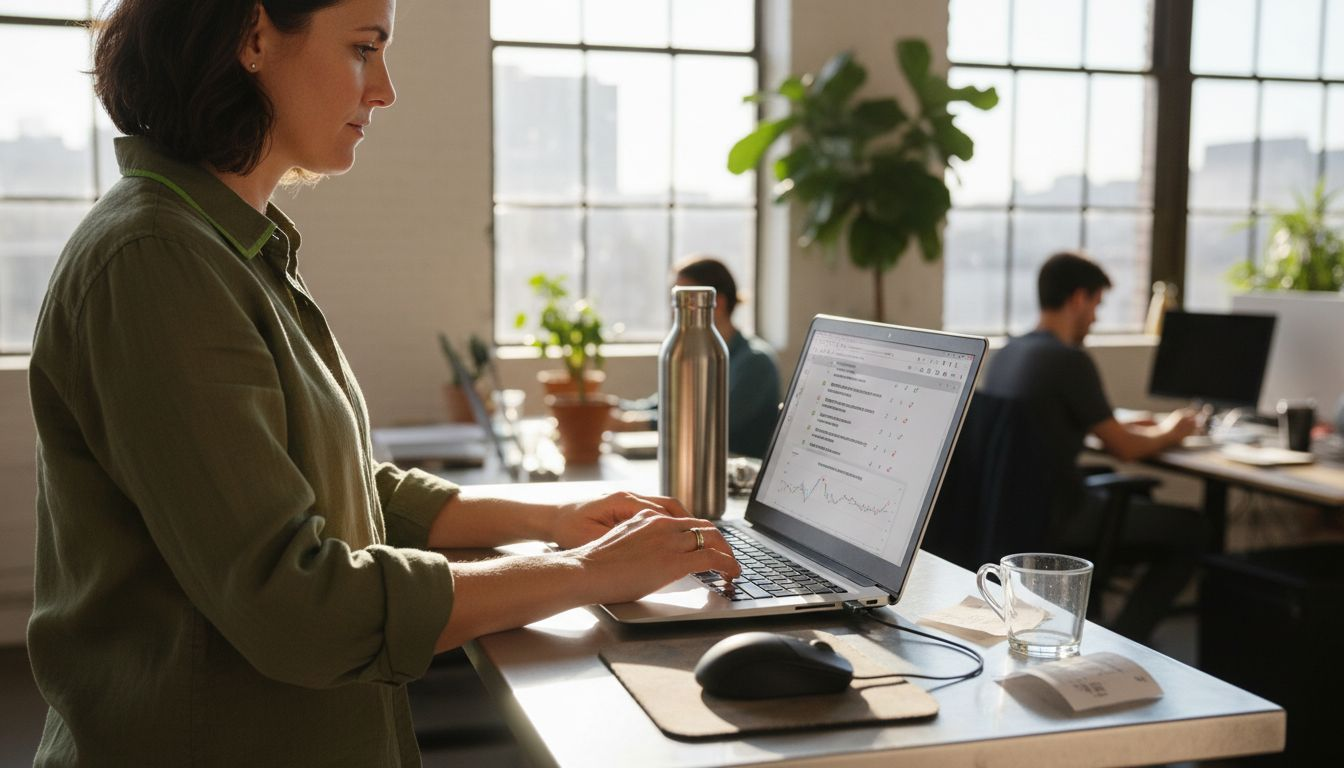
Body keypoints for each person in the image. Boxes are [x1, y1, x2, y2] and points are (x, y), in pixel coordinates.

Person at [26, 2, 739, 765]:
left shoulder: (226, 248)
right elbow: (298, 608)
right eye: (365, 49)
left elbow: (343, 489)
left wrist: (555, 519)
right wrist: (586, 574)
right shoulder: (155, 262)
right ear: (254, 38)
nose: (386, 89)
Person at [979, 251, 1201, 641]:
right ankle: (1128, 637)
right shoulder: (1069, 361)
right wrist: (1172, 429)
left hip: (1011, 515)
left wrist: (1132, 424)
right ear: (1079, 298)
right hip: (1060, 516)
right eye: (1097, 305)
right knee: (1195, 528)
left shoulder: (1010, 353)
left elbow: (1080, 422)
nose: (1095, 318)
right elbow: (1125, 449)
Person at [622, 257, 782, 459]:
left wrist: (637, 422)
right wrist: (615, 407)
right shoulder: (694, 353)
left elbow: (713, 422)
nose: (674, 311)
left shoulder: (756, 361)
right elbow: (667, 401)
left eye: (684, 301)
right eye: (675, 300)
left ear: (716, 303)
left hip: (736, 478)